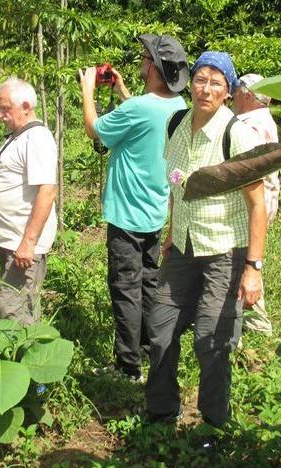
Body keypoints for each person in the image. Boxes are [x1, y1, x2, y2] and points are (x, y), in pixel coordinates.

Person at [145, 52, 267, 430]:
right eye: (201, 79)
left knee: (212, 340)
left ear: (228, 91)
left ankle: (214, 426)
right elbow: (176, 184)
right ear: (191, 82)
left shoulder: (237, 134)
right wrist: (172, 231)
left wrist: (253, 267)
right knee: (160, 327)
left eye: (216, 83)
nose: (206, 89)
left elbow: (258, 204)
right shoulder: (176, 123)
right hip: (184, 246)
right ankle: (163, 410)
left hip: (225, 251)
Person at [78, 34, 189, 383]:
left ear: (153, 67)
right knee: (147, 283)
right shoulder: (178, 105)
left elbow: (94, 130)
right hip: (154, 210)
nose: (140, 61)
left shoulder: (138, 108)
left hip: (126, 213)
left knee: (125, 287)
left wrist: (88, 89)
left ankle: (127, 367)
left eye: (144, 57)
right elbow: (145, 117)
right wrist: (123, 89)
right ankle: (147, 346)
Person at [0, 77, 58, 325]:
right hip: (11, 242)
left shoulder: (37, 138)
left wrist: (28, 243)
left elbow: (47, 192)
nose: (0, 116)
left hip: (22, 245)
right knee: (18, 308)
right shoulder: (17, 136)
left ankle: (22, 351)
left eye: (5, 109)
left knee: (14, 312)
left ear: (26, 107)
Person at [233, 73, 279, 335]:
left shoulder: (247, 125)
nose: (232, 96)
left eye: (236, 92)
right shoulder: (265, 120)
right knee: (248, 257)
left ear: (247, 95)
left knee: (241, 261)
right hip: (266, 199)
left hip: (252, 203)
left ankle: (254, 321)